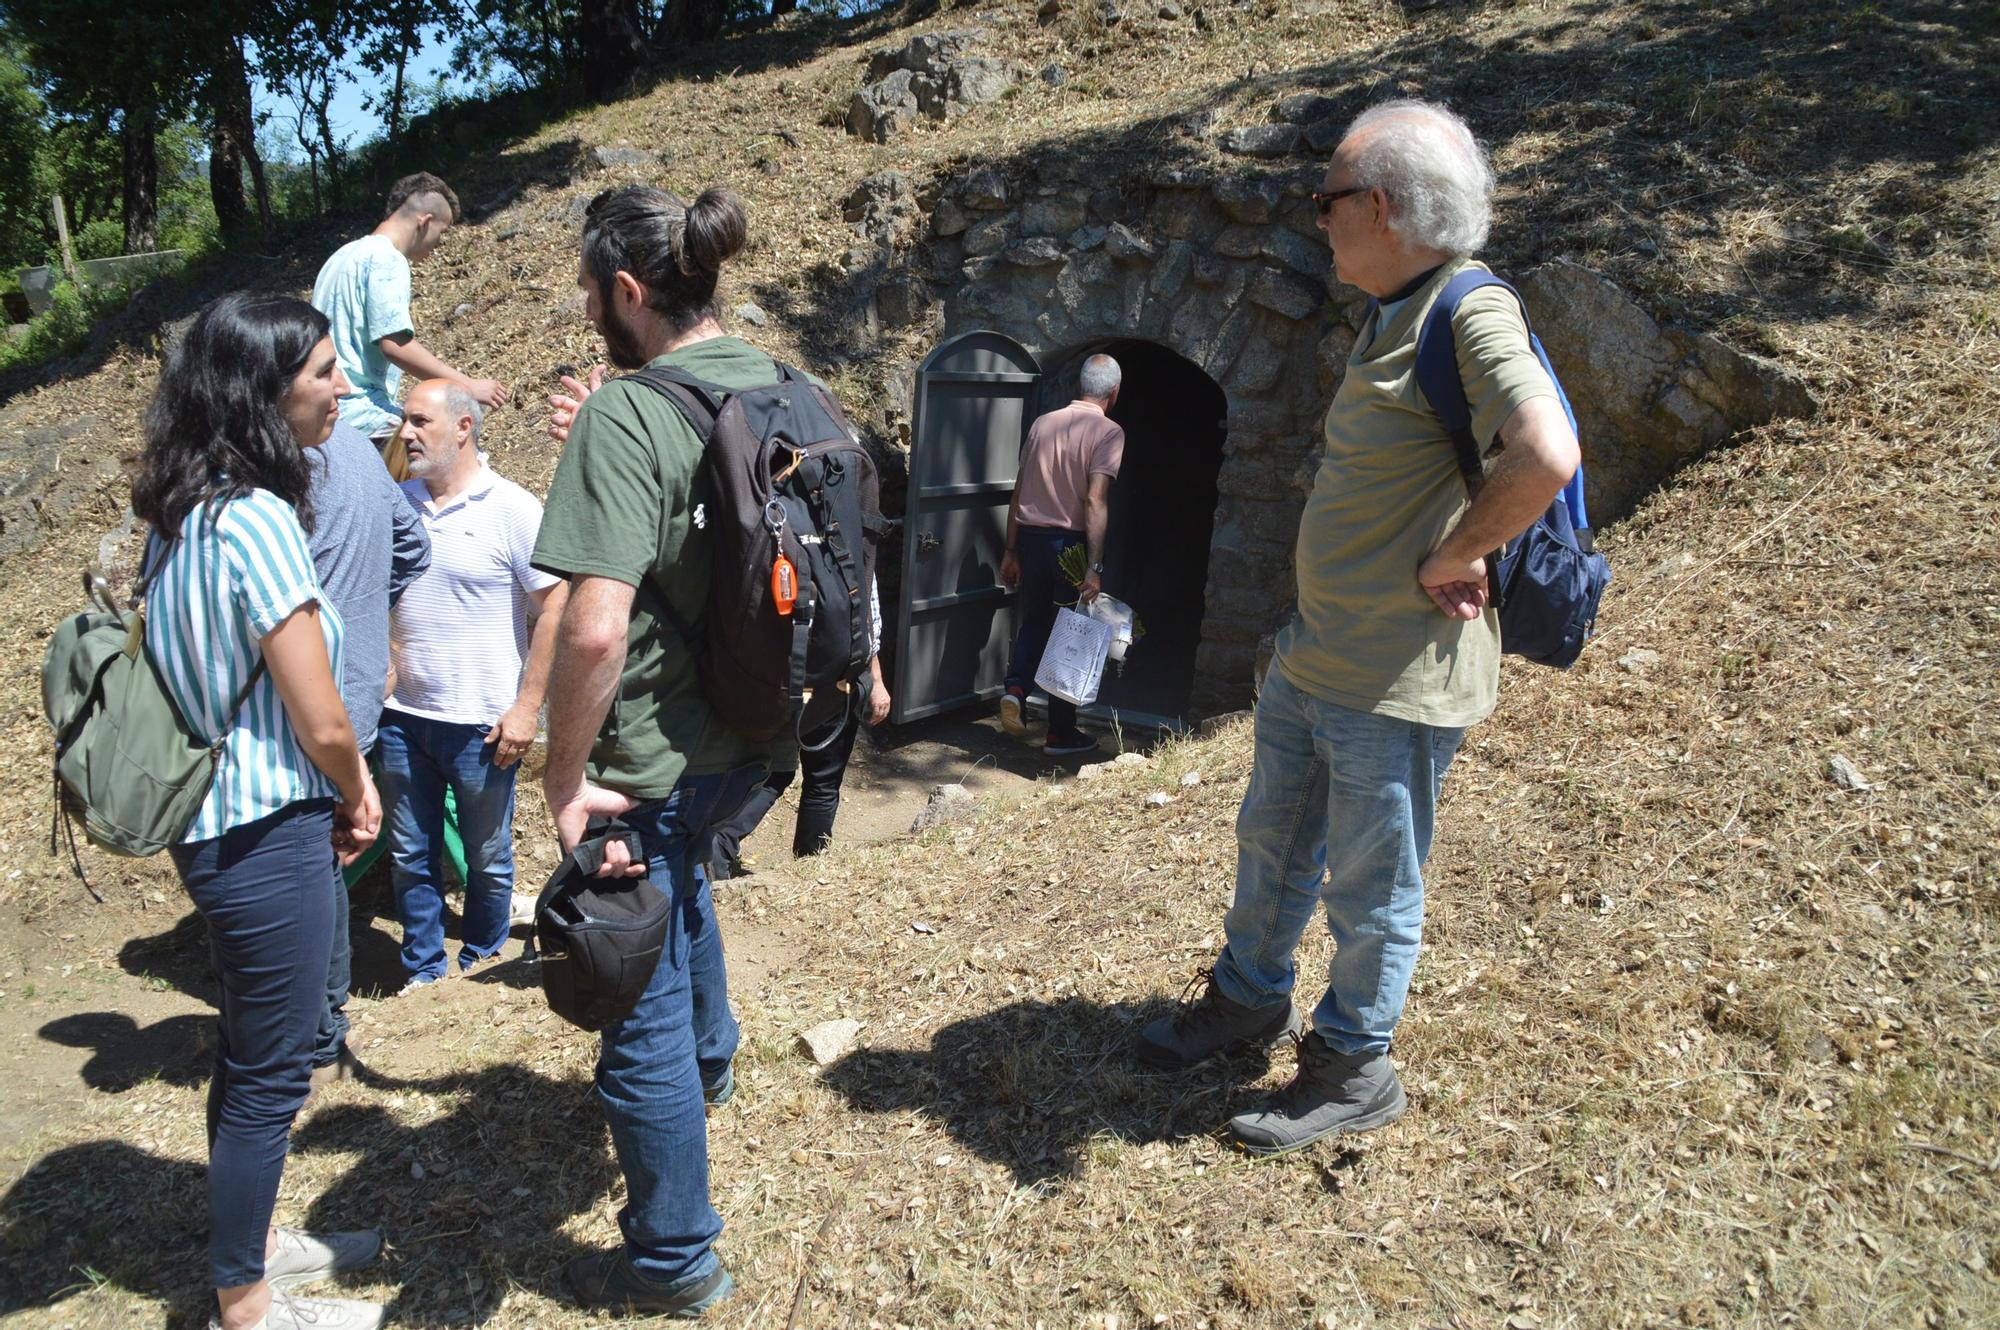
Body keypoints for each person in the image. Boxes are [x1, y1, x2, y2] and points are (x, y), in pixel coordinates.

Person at [1135, 99, 1583, 1155]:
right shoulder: (1397, 305)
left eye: (1326, 197)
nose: (1317, 217)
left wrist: (1460, 550)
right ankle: (1248, 1000)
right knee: (1272, 843)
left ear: (1378, 204)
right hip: (1319, 655)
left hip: (1396, 676)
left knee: (1370, 888)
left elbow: (1543, 451)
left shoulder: (1467, 311)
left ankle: (1351, 1066)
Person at [534, 184, 783, 1318]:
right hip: (763, 734)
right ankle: (717, 1056)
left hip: (653, 755)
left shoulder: (624, 413)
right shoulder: (786, 382)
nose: (587, 308)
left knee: (631, 983)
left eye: (590, 292)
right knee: (685, 888)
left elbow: (591, 625)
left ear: (626, 292)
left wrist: (563, 777)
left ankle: (674, 1257)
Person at [131, 291, 388, 1330]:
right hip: (268, 832)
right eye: (324, 370)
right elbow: (319, 711)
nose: (341, 388)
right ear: (263, 392)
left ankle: (258, 1243)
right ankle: (245, 1300)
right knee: (273, 1069)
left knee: (251, 1054)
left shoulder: (179, 519)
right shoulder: (260, 518)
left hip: (215, 830)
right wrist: (356, 784)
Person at [378, 379, 566, 992]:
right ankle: (423, 968)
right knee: (410, 852)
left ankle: (483, 951)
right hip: (402, 715)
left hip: (482, 722)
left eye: (418, 421)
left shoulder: (511, 509)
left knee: (486, 854)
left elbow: (554, 607)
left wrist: (527, 707)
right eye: (405, 421)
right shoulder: (393, 503)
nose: (406, 433)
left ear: (463, 427)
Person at [303, 420, 432, 1089]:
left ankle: (319, 1032)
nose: (344, 392)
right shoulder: (356, 447)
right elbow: (412, 549)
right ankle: (322, 1025)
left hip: (298, 706)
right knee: (321, 862)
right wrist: (364, 623)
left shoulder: (253, 462)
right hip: (353, 689)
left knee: (309, 860)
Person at [310, 172, 507, 479]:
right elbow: (395, 344)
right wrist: (467, 386)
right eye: (440, 234)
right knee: (457, 469)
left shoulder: (340, 257)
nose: (437, 246)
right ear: (424, 221)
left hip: (328, 416)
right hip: (365, 418)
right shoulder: (388, 260)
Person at [706, 580, 891, 876]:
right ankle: (808, 868)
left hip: (773, 676)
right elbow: (868, 616)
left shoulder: (778, 532)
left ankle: (718, 845)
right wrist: (877, 679)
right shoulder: (853, 537)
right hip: (834, 682)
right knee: (822, 782)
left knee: (773, 772)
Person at [998, 354, 1125, 757]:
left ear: (1079, 386)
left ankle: (1015, 690)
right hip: (1068, 546)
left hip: (1031, 540)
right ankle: (1059, 733)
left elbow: (1019, 492)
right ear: (1114, 393)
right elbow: (1095, 499)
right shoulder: (1109, 432)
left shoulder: (1042, 423)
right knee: (1073, 633)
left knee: (1034, 621)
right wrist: (1094, 565)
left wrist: (1011, 549)